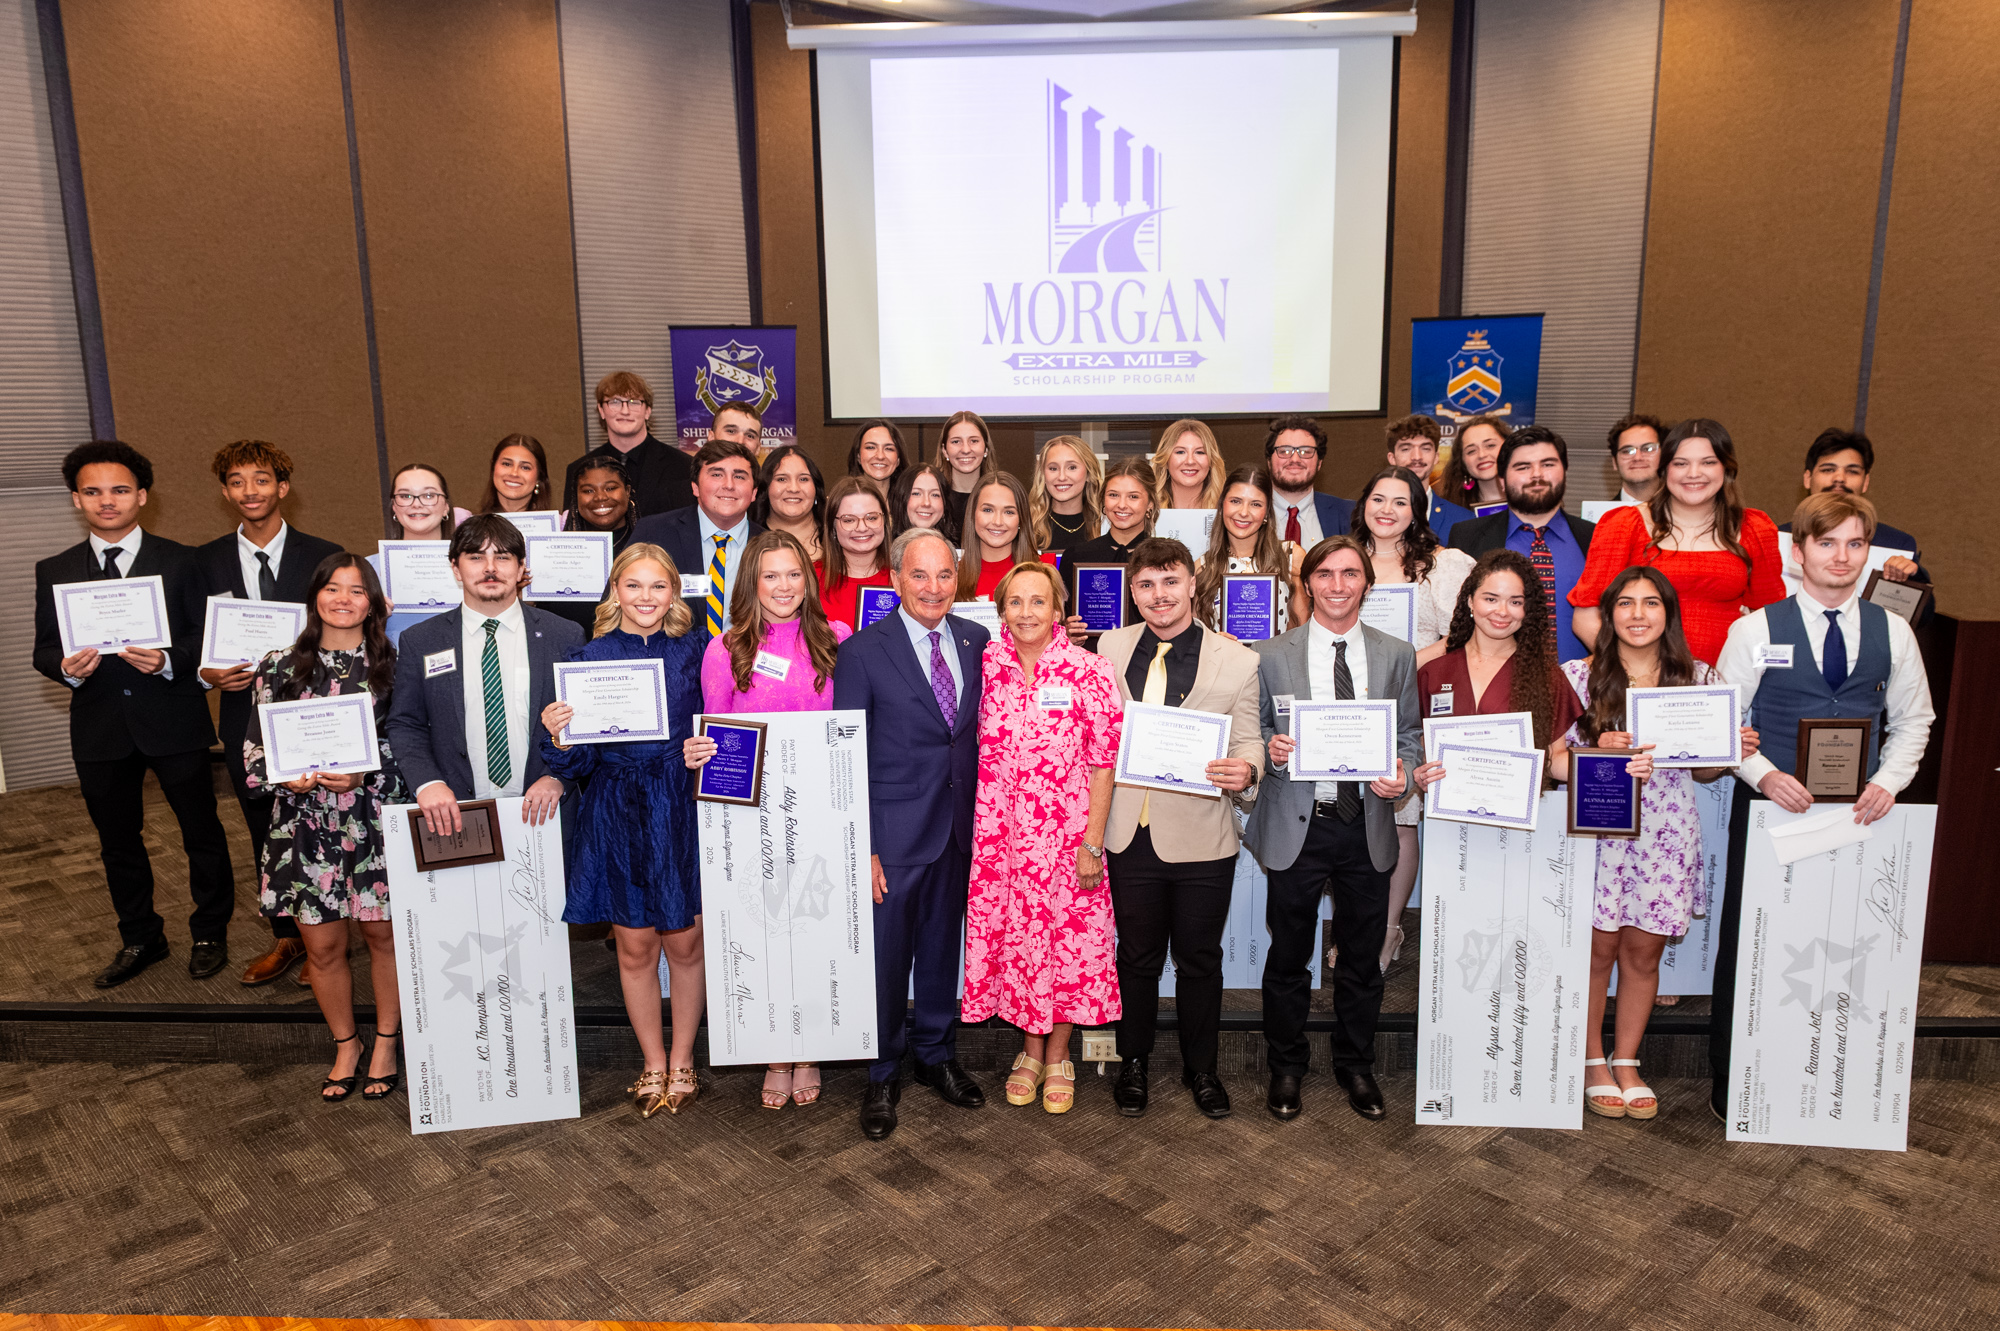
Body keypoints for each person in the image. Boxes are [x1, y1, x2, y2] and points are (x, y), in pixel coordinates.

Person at [1708, 491, 1934, 1122]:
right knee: (1754, 950)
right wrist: (1765, 774)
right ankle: (1739, 1093)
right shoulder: (1754, 629)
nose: (1841, 557)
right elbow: (1724, 723)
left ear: (1869, 552)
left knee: (1848, 953)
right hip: (1770, 812)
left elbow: (1915, 719)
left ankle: (1839, 1089)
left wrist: (1889, 781)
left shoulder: (1894, 631)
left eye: (1855, 544)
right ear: (1799, 550)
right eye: (1827, 543)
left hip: (1860, 818)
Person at [1548, 566, 1760, 1120]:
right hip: (1601, 830)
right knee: (1596, 951)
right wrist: (1602, 751)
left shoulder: (1702, 679)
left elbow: (1708, 774)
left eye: (1651, 603)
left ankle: (1627, 1060)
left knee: (1643, 954)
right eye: (1625, 603)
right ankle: (1591, 1058)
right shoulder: (1575, 676)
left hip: (1666, 835)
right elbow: (1551, 762)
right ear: (1607, 614)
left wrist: (1727, 748)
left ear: (1669, 613)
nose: (1638, 614)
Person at [34, 441, 236, 988]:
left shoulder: (182, 560)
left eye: (120, 489)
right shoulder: (55, 569)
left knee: (201, 831)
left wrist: (170, 660)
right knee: (117, 841)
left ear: (142, 497)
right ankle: (140, 936)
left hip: (173, 717)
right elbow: (44, 650)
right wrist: (69, 668)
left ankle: (210, 932)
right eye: (93, 491)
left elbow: (205, 639)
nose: (107, 501)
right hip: (100, 728)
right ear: (76, 500)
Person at [1248, 536, 1420, 1123]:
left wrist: (1403, 777)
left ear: (1367, 583)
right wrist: (1270, 751)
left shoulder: (1397, 654)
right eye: (1325, 574)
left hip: (1366, 825)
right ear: (1308, 584)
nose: (1338, 585)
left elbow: (1409, 737)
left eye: (1351, 574)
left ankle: (1356, 1065)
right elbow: (1256, 735)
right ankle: (1287, 1067)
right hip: (1300, 825)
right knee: (1288, 957)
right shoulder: (1270, 655)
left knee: (1361, 958)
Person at [831, 529, 990, 1141]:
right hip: (892, 834)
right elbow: (848, 753)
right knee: (886, 959)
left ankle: (935, 1056)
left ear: (959, 579)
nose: (933, 588)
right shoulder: (864, 651)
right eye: (920, 576)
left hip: (959, 830)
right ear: (895, 579)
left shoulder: (979, 642)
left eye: (945, 575)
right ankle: (882, 1070)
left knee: (941, 953)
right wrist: (862, 842)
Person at [539, 543, 708, 1117]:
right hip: (615, 809)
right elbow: (578, 766)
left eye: (657, 586)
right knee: (634, 945)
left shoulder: (697, 651)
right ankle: (652, 1060)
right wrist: (560, 736)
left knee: (684, 941)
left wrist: (704, 747)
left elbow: (726, 720)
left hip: (678, 806)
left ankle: (684, 1058)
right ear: (615, 591)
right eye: (633, 586)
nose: (645, 597)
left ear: (673, 594)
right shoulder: (585, 658)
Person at [1097, 538, 1263, 1120]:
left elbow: (1248, 740)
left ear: (1193, 584)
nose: (1158, 596)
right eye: (1145, 585)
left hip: (1203, 836)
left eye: (1169, 582)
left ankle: (1203, 1070)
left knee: (1199, 958)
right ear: (1132, 592)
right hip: (1128, 832)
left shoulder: (1238, 660)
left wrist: (1247, 770)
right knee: (1137, 957)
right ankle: (1134, 1063)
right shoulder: (1109, 649)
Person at [686, 529, 848, 1111]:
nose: (784, 586)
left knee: (813, 932)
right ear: (752, 582)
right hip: (751, 820)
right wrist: (698, 753)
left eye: (794, 574)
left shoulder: (839, 640)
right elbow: (714, 734)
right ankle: (777, 1054)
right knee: (764, 933)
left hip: (823, 815)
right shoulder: (725, 648)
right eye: (771, 575)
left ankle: (808, 1051)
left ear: (809, 581)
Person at [241, 554, 407, 1101]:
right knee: (323, 948)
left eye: (356, 591)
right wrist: (288, 780)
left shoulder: (394, 666)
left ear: (375, 602)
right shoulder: (278, 666)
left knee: (385, 938)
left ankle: (386, 1040)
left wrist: (365, 771)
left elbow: (409, 748)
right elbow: (253, 753)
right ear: (314, 596)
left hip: (372, 823)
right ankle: (346, 1043)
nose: (343, 599)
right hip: (303, 827)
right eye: (332, 588)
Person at [961, 561, 1121, 1115]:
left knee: (1066, 946)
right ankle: (1028, 1053)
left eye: (1038, 602)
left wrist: (1092, 842)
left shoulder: (1090, 672)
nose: (1026, 613)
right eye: (1015, 602)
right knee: (1019, 945)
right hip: (1001, 840)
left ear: (1058, 611)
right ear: (1000, 610)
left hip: (1067, 838)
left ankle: (1058, 1055)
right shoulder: (984, 667)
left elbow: (1105, 763)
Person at [193, 439, 345, 988]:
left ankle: (330, 941)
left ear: (282, 487)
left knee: (329, 821)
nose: (249, 491)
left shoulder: (325, 554)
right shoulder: (203, 560)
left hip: (313, 713)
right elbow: (191, 635)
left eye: (261, 479)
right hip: (242, 716)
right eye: (236, 481)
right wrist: (205, 673)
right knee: (265, 824)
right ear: (225, 491)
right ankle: (287, 935)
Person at [385, 514, 583, 846]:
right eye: (476, 557)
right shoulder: (422, 641)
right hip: (454, 814)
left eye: (502, 556)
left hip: (545, 811)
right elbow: (406, 723)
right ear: (455, 568)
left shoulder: (564, 635)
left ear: (520, 568)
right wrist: (427, 782)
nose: (489, 568)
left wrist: (558, 776)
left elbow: (582, 723)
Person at [1350, 465, 1475, 971]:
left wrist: (1406, 663)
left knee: (1399, 820)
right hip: (1351, 710)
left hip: (1411, 707)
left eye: (1400, 501)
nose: (1386, 510)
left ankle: (1388, 929)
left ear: (1417, 511)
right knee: (1351, 823)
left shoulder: (1444, 565)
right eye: (1378, 498)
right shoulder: (1344, 558)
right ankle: (1356, 925)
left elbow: (1464, 631)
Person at [1569, 418, 1785, 666]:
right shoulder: (1622, 526)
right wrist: (1635, 672)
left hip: (1728, 685)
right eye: (1680, 463)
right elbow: (1586, 617)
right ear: (1664, 469)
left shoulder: (1755, 528)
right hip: (1642, 687)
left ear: (1726, 468)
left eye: (1708, 462)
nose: (1694, 473)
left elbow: (1771, 620)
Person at [1446, 425, 1598, 662]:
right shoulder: (1467, 537)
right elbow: (1456, 623)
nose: (1537, 474)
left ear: (1565, 470)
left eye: (1548, 464)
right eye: (1523, 467)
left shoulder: (1596, 538)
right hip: (1492, 688)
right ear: (1502, 481)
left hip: (1583, 690)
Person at [1413, 549, 1584, 756]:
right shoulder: (1433, 672)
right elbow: (1419, 750)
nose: (1502, 611)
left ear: (1526, 610)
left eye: (1515, 602)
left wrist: (1621, 769)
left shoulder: (1546, 677)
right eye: (1491, 599)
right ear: (1470, 601)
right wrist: (1418, 773)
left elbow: (1556, 759)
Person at [630, 439, 764, 635]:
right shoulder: (654, 533)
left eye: (740, 476)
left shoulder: (771, 547)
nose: (728, 485)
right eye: (717, 474)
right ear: (695, 487)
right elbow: (618, 602)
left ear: (754, 492)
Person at [1778, 428, 1926, 584]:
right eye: (1828, 469)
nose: (1840, 478)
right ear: (1808, 478)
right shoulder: (1773, 538)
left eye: (1852, 471)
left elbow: (1922, 607)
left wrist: (1913, 577)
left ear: (1865, 482)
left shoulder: (1897, 544)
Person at [559, 370, 694, 519]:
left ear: (648, 411)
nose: (625, 411)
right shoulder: (578, 470)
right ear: (601, 410)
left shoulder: (682, 465)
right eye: (614, 402)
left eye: (634, 402)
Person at [539, 453, 643, 636]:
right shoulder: (555, 551)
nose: (600, 497)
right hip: (571, 652)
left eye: (611, 488)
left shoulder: (648, 544)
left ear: (627, 491)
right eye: (588, 491)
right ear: (576, 498)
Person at [1194, 465, 1303, 635]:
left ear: (1267, 512)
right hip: (1223, 661)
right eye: (1235, 501)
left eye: (1256, 504)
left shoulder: (1291, 557)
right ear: (1223, 505)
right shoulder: (1202, 567)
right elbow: (1196, 638)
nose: (1244, 512)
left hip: (1278, 661)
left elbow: (1302, 632)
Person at [1061, 456, 1155, 646]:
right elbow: (1059, 618)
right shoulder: (1077, 556)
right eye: (1113, 495)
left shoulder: (1165, 557)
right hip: (1088, 663)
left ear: (1150, 504)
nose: (1121, 504)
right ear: (1103, 500)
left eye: (1133, 496)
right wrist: (1066, 632)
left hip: (1150, 663)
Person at [375, 462, 458, 645]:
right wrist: (371, 617)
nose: (416, 504)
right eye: (405, 496)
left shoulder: (471, 564)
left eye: (429, 495)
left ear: (446, 507)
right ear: (394, 507)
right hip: (391, 668)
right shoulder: (368, 570)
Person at [818, 475, 894, 630]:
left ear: (885, 521)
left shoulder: (904, 578)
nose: (862, 527)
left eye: (872, 518)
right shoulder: (811, 578)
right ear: (833, 526)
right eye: (848, 520)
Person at [1265, 415, 1355, 547]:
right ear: (1269, 462)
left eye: (1306, 452)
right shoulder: (1246, 513)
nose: (1295, 459)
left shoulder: (1350, 513)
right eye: (1284, 451)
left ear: (1319, 463)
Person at [1385, 414, 1472, 540]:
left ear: (1436, 457)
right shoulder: (1372, 515)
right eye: (1406, 449)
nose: (1416, 457)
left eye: (1425, 448)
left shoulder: (1463, 519)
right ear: (1392, 458)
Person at [955, 472, 1037, 602]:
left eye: (1009, 512)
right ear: (973, 514)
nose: (997, 522)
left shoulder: (1044, 570)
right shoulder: (952, 576)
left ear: (1021, 519)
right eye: (988, 510)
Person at [1027, 434, 1103, 559]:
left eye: (1072, 467)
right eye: (1053, 468)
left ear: (1089, 474)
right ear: (1042, 475)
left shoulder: (1104, 525)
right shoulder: (1028, 526)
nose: (1062, 477)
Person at [752, 445, 826, 566]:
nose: (794, 488)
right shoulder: (748, 541)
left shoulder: (839, 538)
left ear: (816, 489)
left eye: (803, 479)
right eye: (781, 479)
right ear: (766, 489)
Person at [935, 409, 998, 542]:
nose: (965, 449)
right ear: (944, 450)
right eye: (956, 442)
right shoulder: (933, 499)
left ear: (986, 448)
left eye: (974, 441)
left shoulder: (1001, 497)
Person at [1437, 414, 1510, 511]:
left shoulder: (1533, 501)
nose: (1482, 455)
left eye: (1490, 445)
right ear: (1462, 462)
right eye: (1471, 451)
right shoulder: (1450, 511)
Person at [1152, 418, 1228, 512]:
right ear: (1165, 460)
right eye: (1180, 452)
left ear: (1211, 461)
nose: (1190, 461)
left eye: (1200, 452)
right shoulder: (1146, 510)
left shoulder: (1226, 511)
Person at [477, 433, 558, 516]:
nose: (514, 473)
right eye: (507, 464)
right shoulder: (467, 524)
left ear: (539, 476)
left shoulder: (561, 526)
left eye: (525, 467)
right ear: (493, 468)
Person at [1607, 413, 1666, 505]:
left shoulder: (1686, 515)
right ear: (1615, 462)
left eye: (1648, 449)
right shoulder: (1599, 518)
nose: (1637, 458)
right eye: (1627, 451)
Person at [890, 462, 951, 539]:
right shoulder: (885, 548)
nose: (926, 503)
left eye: (935, 495)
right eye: (916, 494)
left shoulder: (955, 549)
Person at [848, 418, 907, 487]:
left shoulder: (911, 497)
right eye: (871, 447)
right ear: (858, 456)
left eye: (888, 449)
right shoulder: (843, 497)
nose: (880, 456)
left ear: (898, 460)